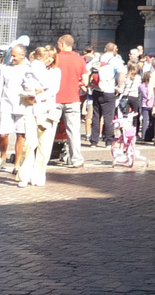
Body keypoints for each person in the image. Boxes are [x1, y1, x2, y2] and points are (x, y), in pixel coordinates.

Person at [18, 46, 62, 188]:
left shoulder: (56, 72)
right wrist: (31, 94)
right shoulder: (30, 69)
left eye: (52, 57)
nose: (49, 59)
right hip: (31, 109)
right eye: (47, 56)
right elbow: (22, 87)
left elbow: (53, 89)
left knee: (45, 145)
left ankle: (39, 174)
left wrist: (38, 96)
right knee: (30, 143)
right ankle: (24, 175)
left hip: (47, 109)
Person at [0, 44, 29, 170]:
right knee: (3, 134)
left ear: (22, 55)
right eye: (11, 55)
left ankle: (17, 164)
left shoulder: (30, 68)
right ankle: (3, 155)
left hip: (23, 105)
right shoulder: (5, 68)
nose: (12, 58)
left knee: (21, 134)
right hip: (6, 104)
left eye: (14, 55)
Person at [53, 35, 87, 166]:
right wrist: (75, 83)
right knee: (73, 131)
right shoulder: (80, 59)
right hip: (73, 99)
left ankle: (42, 159)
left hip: (56, 99)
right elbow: (84, 80)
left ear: (62, 44)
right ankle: (77, 160)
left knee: (49, 130)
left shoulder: (55, 58)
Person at [89, 43, 122, 148]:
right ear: (115, 50)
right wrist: (119, 86)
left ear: (104, 49)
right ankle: (108, 141)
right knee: (108, 117)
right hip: (109, 90)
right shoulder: (115, 60)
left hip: (97, 89)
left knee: (95, 116)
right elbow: (122, 72)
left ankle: (94, 141)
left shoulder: (97, 58)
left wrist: (89, 84)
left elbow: (86, 68)